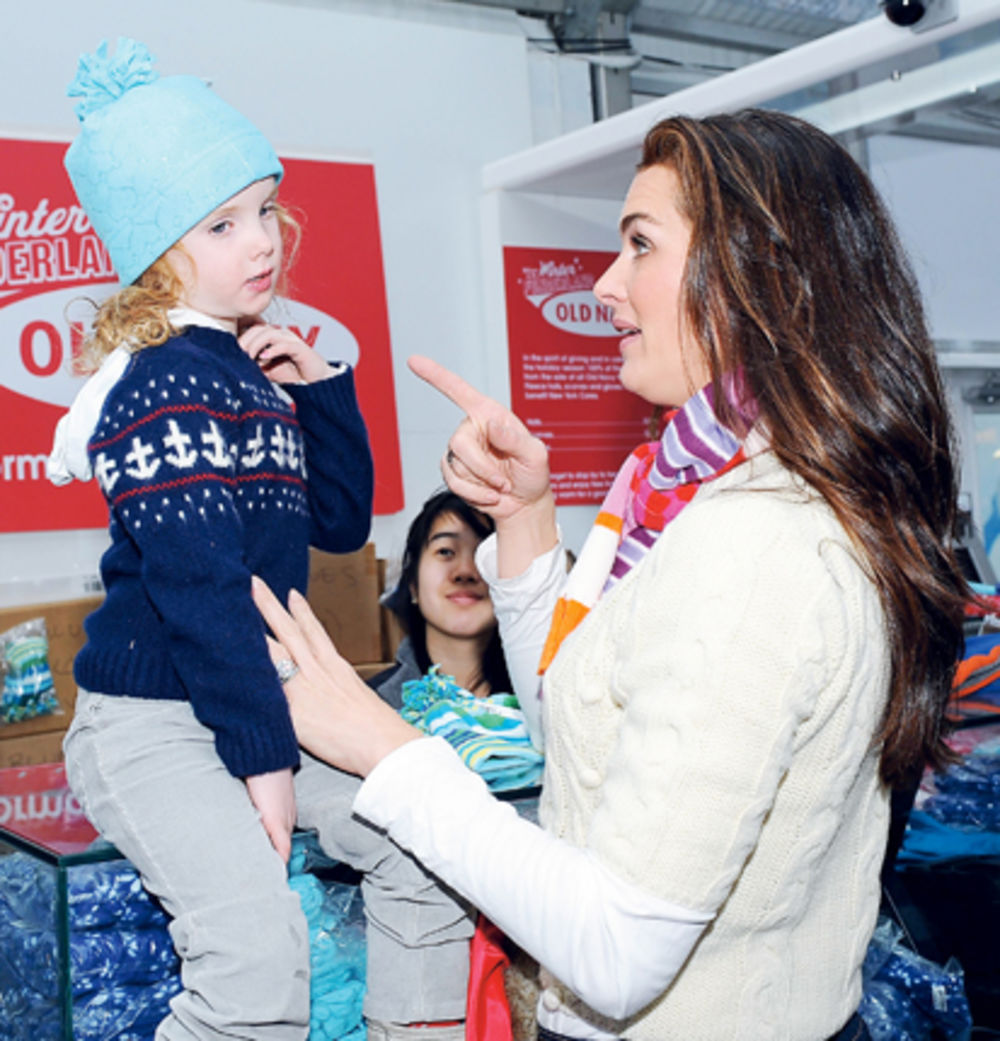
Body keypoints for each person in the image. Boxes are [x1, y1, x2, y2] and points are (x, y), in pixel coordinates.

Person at [252, 108, 970, 1041]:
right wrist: (524, 521)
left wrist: (389, 752)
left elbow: (618, 950)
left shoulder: (754, 545)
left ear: (754, 272)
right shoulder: (694, 492)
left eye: (640, 245)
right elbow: (584, 735)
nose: (604, 283)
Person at [49, 38, 373, 1041]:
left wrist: (319, 392)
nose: (261, 241)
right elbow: (202, 594)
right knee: (255, 967)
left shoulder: (241, 370)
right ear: (156, 250)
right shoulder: (164, 381)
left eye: (265, 208)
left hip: (245, 699)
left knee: (423, 844)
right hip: (156, 722)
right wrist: (262, 762)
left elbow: (342, 523)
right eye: (222, 223)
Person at [293, 488, 530, 1041]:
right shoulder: (359, 713)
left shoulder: (542, 713)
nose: (467, 569)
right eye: (445, 552)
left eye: (484, 551)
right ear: (413, 586)